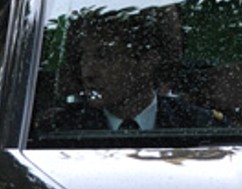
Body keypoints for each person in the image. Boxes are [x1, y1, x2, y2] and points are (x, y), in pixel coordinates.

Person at [43, 7, 215, 134]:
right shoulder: (60, 129)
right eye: (83, 58)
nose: (88, 73)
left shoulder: (200, 126)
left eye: (104, 57)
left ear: (147, 62)